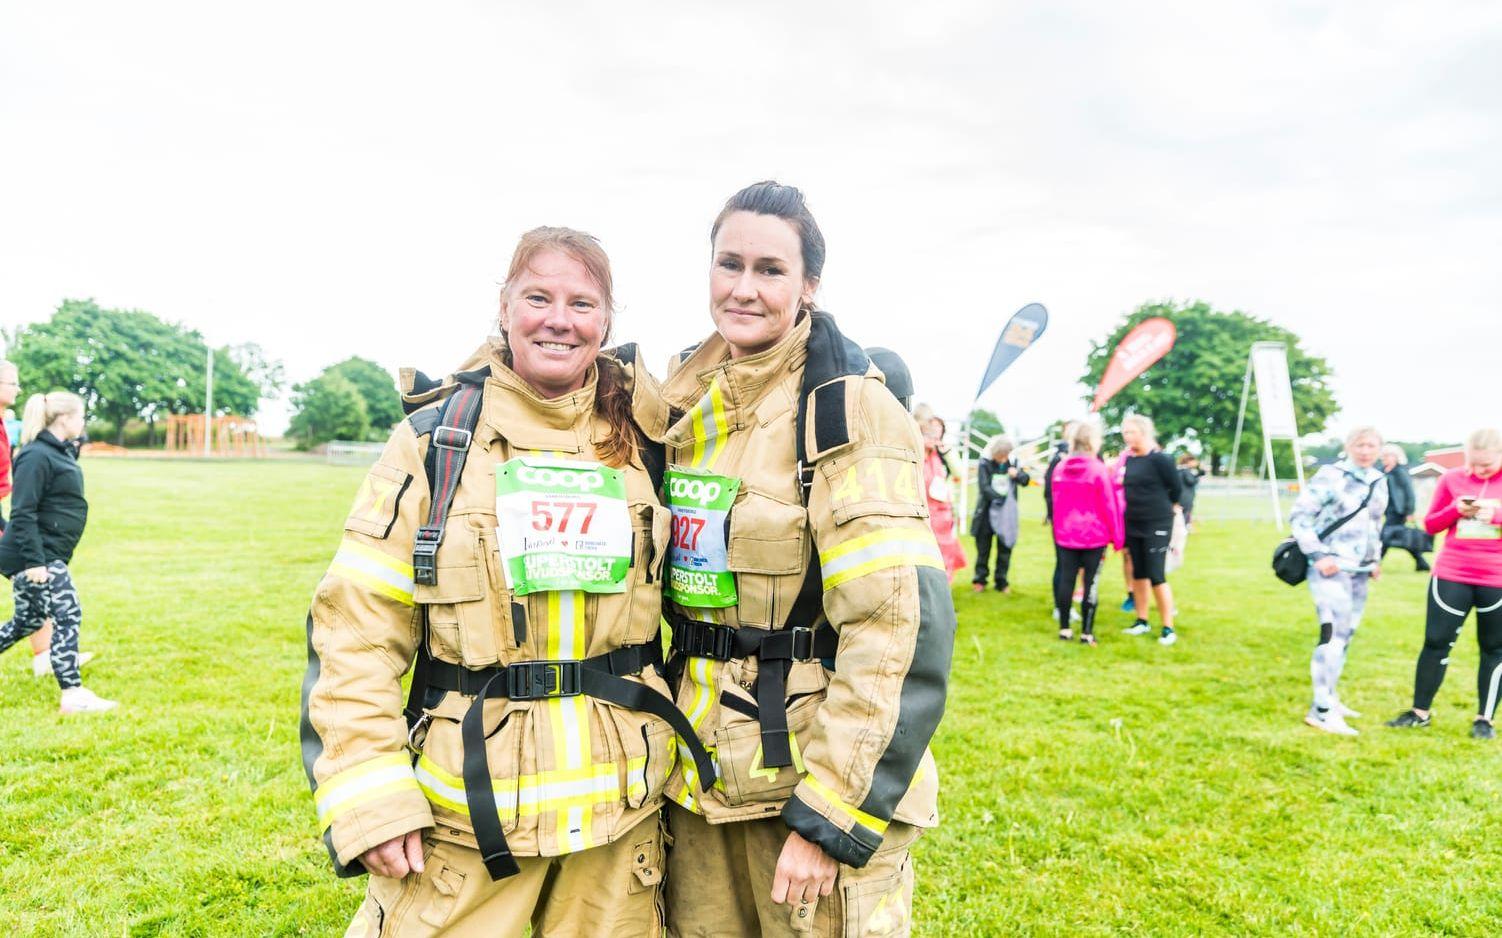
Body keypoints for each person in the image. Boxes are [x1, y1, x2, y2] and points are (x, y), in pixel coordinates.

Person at [301, 227, 704, 935]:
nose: (559, 318)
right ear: (504, 305)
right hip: (463, 824)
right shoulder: (434, 441)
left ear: (607, 320)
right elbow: (356, 629)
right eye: (538, 297)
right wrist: (372, 796)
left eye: (582, 302)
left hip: (621, 821)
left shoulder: (645, 441)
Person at [658, 181, 955, 937]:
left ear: (808, 286)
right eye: (730, 264)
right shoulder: (684, 410)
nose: (744, 288)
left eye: (770, 269)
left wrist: (829, 816)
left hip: (809, 792)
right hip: (701, 786)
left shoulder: (848, 410)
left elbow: (896, 632)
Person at [0, 392, 114, 713]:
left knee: (28, 621)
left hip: (44, 552)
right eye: (81, 416)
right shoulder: (35, 455)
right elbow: (23, 511)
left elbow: (71, 452)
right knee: (68, 613)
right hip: (35, 555)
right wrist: (35, 562)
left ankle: (71, 689)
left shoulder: (57, 451)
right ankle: (73, 694)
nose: (84, 422)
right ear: (64, 418)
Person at [1386, 428, 1502, 738]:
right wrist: (1456, 509)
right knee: (1435, 643)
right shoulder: (1451, 479)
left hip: (1496, 578)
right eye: (1474, 464)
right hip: (1452, 574)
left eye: (1486, 466)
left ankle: (1484, 719)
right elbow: (1431, 524)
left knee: (1494, 649)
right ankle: (1419, 712)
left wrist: (1495, 514)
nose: (1478, 471)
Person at [1289, 426, 1388, 736]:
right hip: (1330, 567)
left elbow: (1375, 523)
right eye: (1360, 444)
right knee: (1331, 636)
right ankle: (1320, 709)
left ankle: (1330, 695)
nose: (1365, 450)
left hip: (1359, 569)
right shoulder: (1330, 476)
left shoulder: (1378, 480)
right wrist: (1318, 555)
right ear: (1348, 446)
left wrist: (1375, 559)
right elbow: (1301, 518)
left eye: (1372, 445)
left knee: (1347, 634)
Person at [1049, 422, 1123, 644]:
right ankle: (1086, 632)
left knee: (1066, 580)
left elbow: (1056, 502)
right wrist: (1117, 536)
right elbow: (1110, 505)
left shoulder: (1060, 468)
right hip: (1094, 535)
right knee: (1090, 583)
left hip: (1066, 534)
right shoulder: (1098, 469)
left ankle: (1064, 629)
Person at [1117, 415, 1182, 645]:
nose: (1127, 437)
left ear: (1143, 432)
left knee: (1156, 575)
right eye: (1124, 432)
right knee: (1138, 574)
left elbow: (1176, 489)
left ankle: (1167, 627)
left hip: (1157, 523)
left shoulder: (1161, 459)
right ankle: (1141, 620)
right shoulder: (1130, 460)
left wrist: (1167, 508)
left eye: (1131, 432)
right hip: (1133, 522)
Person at [915, 405, 968, 580]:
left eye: (938, 427)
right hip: (924, 508)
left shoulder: (944, 452)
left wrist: (947, 452)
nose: (935, 431)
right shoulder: (919, 449)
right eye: (932, 427)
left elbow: (960, 474)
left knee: (945, 550)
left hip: (943, 509)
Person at [971, 436, 1030, 593]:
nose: (1003, 459)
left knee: (1005, 549)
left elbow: (1025, 480)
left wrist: (1016, 474)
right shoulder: (985, 463)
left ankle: (1001, 581)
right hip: (986, 513)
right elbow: (984, 488)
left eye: (1006, 455)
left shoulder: (1013, 463)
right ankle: (980, 579)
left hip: (1006, 515)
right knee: (983, 549)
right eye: (1000, 456)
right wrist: (1001, 498)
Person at [1379, 444, 1430, 572]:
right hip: (1388, 509)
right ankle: (1422, 563)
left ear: (1396, 457)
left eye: (1387, 455)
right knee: (1401, 537)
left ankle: (1375, 563)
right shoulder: (1384, 471)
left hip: (1399, 510)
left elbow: (1409, 492)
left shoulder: (1400, 471)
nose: (1383, 458)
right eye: (1383, 455)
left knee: (1385, 536)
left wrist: (1410, 511)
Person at [1176, 453, 1204, 530]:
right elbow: (1191, 481)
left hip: (1180, 496)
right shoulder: (1186, 471)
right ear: (1189, 461)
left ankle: (1183, 528)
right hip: (1186, 496)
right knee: (1185, 514)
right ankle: (1183, 529)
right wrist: (1198, 477)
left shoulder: (1179, 469)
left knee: (1181, 515)